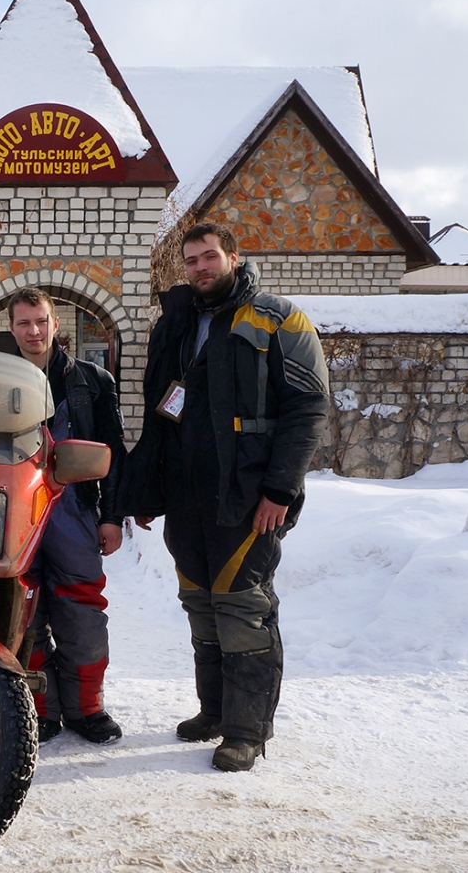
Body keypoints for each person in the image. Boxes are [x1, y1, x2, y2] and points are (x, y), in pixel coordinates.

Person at [118, 222, 328, 772]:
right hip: (187, 496)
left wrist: (280, 489)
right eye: (191, 261)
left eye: (209, 257)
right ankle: (213, 712)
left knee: (242, 607)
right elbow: (160, 413)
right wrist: (147, 489)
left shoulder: (279, 319)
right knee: (200, 605)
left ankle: (246, 732)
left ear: (234, 257)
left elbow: (308, 409)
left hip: (249, 495)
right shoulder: (177, 322)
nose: (200, 268)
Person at [8, 288, 127, 745]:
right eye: (24, 323)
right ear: (11, 328)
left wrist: (111, 516)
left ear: (55, 324)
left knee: (82, 612)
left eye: (41, 321)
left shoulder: (92, 382)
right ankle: (40, 708)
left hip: (72, 509)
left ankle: (86, 708)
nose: (33, 331)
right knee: (22, 610)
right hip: (14, 512)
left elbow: (113, 453)